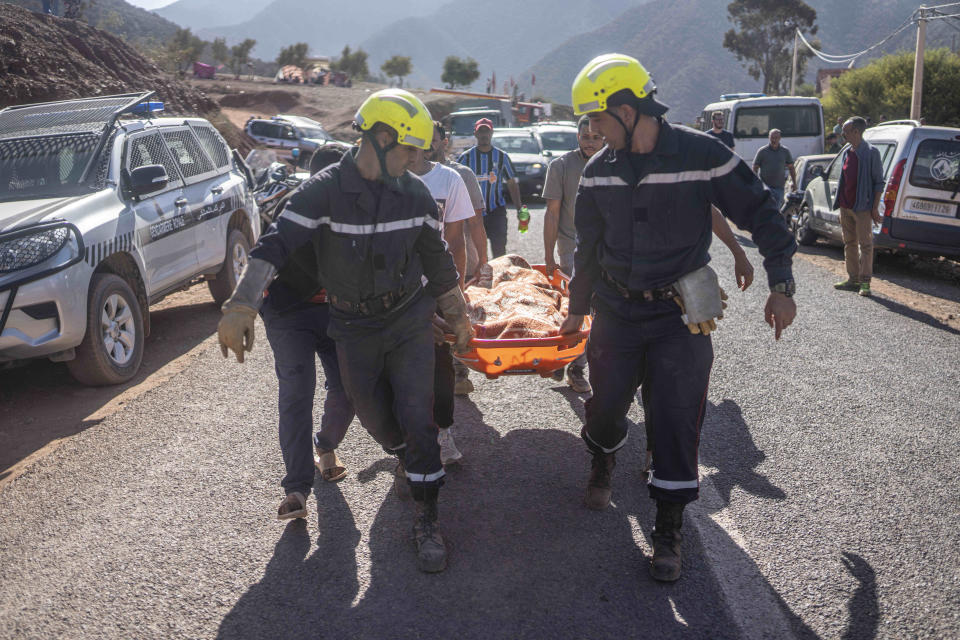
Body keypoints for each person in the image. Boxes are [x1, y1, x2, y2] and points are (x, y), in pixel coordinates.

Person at [560, 53, 797, 583]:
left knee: (674, 418)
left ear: (626, 109)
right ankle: (603, 455)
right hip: (616, 314)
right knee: (603, 409)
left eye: (598, 120)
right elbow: (588, 253)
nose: (592, 133)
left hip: (678, 318)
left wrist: (780, 284)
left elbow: (763, 211)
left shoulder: (702, 155)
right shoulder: (598, 174)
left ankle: (667, 526)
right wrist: (577, 310)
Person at [217, 89, 473, 574]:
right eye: (409, 149)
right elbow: (275, 245)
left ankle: (427, 518)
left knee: (418, 416)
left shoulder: (415, 194)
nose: (417, 161)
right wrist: (242, 304)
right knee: (376, 418)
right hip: (352, 326)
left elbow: (437, 258)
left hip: (407, 317)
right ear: (379, 138)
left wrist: (456, 312)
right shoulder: (322, 191)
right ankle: (405, 457)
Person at [258, 243, 356, 520]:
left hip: (338, 309)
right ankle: (296, 491)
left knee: (351, 386)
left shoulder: (356, 206)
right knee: (297, 394)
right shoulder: (293, 206)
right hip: (288, 311)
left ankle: (325, 446)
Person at [411, 125, 478, 465]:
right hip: (395, 292)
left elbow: (455, 241)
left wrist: (457, 292)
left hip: (436, 287)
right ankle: (406, 443)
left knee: (440, 366)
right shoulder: (382, 178)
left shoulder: (449, 180)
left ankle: (443, 433)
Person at [542, 115, 605, 393]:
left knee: (596, 311)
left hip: (607, 249)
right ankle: (573, 364)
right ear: (577, 137)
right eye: (585, 137)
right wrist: (548, 256)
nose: (590, 142)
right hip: (571, 249)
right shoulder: (562, 166)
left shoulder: (614, 164)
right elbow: (552, 213)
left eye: (595, 137)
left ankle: (572, 362)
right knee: (575, 306)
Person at [430, 123, 488, 395]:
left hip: (456, 256)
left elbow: (475, 222)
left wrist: (483, 258)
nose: (428, 145)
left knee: (456, 315)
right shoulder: (404, 173)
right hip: (422, 265)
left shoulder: (461, 175)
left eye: (434, 140)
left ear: (445, 142)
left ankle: (459, 371)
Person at [832, 116, 884, 297]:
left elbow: (879, 183)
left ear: (856, 132)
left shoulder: (871, 153)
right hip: (845, 206)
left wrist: (875, 208)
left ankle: (865, 283)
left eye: (845, 131)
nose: (842, 133)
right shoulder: (847, 151)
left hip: (863, 208)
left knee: (866, 245)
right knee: (849, 243)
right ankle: (852, 279)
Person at [457, 118, 523, 259]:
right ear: (475, 134)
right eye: (481, 132)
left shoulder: (502, 157)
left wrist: (519, 209)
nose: (484, 135)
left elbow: (512, 183)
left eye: (487, 131)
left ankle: (499, 279)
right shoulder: (466, 158)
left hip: (496, 211)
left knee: (499, 252)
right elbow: (456, 183)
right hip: (473, 212)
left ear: (492, 133)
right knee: (475, 254)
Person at [752, 129, 796, 208]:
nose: (774, 140)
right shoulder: (762, 151)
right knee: (767, 207)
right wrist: (756, 183)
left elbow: (791, 168)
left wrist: (794, 183)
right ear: (769, 137)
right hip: (765, 187)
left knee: (776, 208)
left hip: (779, 187)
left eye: (776, 137)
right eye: (772, 137)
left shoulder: (785, 151)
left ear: (780, 138)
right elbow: (755, 168)